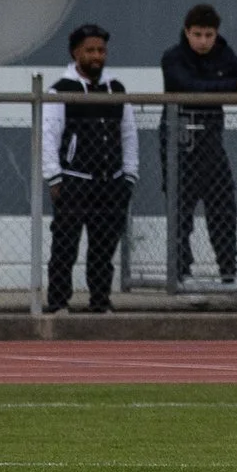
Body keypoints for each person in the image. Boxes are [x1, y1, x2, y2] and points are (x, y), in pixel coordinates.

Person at [159, 2, 237, 286]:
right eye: (198, 34)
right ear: (187, 32)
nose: (204, 41)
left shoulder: (224, 53)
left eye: (209, 35)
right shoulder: (173, 57)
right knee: (181, 211)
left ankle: (228, 273)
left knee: (223, 207)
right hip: (179, 145)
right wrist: (233, 86)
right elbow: (188, 86)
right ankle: (181, 274)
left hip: (211, 143)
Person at [42, 23, 138, 315]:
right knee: (65, 247)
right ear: (76, 53)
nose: (97, 56)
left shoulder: (116, 89)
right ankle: (58, 302)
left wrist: (129, 175)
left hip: (111, 183)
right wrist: (54, 176)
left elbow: (129, 133)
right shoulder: (60, 90)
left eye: (101, 50)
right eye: (90, 50)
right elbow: (49, 134)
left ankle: (100, 301)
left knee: (103, 249)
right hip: (73, 182)